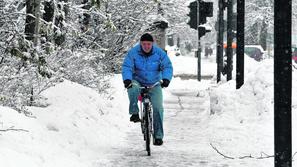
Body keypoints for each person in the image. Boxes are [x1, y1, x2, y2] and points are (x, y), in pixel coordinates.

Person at [121, 33, 173, 146]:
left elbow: (167, 66)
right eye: (144, 44)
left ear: (152, 43)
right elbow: (127, 66)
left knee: (158, 108)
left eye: (149, 44)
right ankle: (134, 113)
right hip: (138, 81)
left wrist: (166, 79)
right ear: (140, 43)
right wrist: (127, 80)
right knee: (132, 88)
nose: (146, 46)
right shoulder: (133, 53)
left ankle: (158, 136)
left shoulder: (159, 54)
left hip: (154, 83)